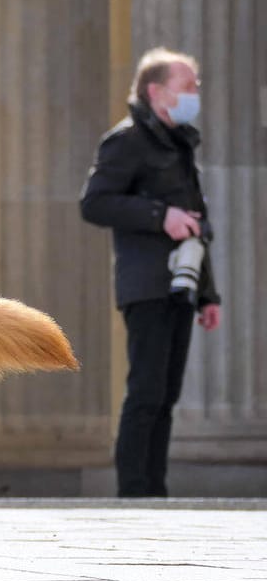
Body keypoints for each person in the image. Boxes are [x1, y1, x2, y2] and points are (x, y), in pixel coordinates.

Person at [81, 48, 221, 498]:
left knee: (166, 397)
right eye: (188, 87)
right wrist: (160, 215)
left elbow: (196, 224)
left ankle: (154, 495)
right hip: (146, 286)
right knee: (145, 393)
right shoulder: (126, 141)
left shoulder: (180, 145)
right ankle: (134, 495)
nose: (195, 95)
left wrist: (208, 295)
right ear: (155, 91)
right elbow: (95, 203)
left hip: (182, 287)